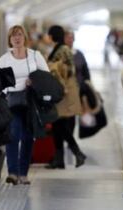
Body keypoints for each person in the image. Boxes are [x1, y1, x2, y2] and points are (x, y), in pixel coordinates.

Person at [0, 25, 49, 185]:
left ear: (24, 37)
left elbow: (46, 76)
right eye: (13, 36)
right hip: (11, 101)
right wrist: (7, 88)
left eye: (19, 35)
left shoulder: (35, 55)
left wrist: (34, 80)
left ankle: (23, 173)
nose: (17, 38)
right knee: (13, 135)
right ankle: (12, 172)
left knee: (27, 137)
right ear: (10, 39)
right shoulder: (5, 58)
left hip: (30, 101)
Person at [46, 25, 85, 169]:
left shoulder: (63, 50)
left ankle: (77, 153)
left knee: (60, 125)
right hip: (60, 92)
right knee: (57, 126)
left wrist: (52, 67)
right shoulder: (60, 48)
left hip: (63, 92)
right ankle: (60, 159)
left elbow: (69, 70)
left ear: (52, 36)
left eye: (49, 35)